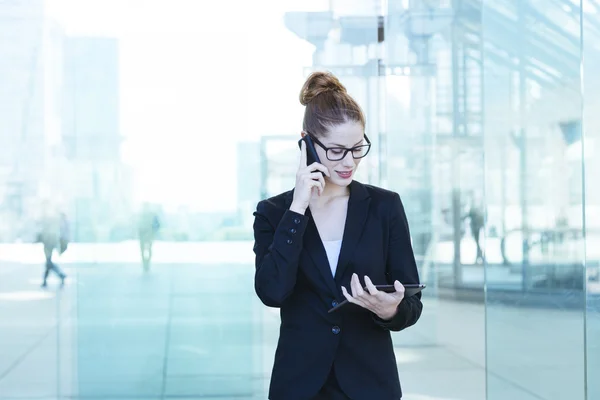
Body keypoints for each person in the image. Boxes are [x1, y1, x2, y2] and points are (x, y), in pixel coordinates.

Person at [252, 71, 423, 400]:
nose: (350, 162)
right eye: (336, 151)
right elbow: (272, 292)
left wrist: (391, 310)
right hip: (299, 385)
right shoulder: (275, 213)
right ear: (306, 142)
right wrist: (298, 208)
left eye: (357, 148)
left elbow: (412, 303)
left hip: (370, 384)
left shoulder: (385, 207)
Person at [39, 207, 68, 288]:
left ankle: (59, 275)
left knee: (48, 262)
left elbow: (50, 233)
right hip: (49, 243)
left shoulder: (51, 220)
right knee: (48, 262)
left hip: (49, 243)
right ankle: (46, 280)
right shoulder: (52, 220)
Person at [138, 204, 160, 271]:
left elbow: (157, 225)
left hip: (148, 234)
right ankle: (145, 262)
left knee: (147, 249)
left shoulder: (144, 215)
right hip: (145, 235)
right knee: (145, 250)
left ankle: (146, 262)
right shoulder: (142, 215)